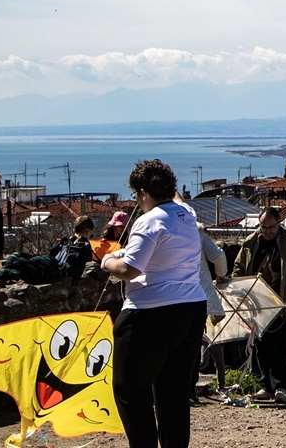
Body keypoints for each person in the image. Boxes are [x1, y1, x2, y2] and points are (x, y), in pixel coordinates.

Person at [100, 159, 207, 448]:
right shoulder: (186, 212)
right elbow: (176, 198)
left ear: (144, 193)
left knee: (128, 388)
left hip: (150, 313)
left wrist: (107, 260)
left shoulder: (149, 220)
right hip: (191, 309)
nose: (137, 201)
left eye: (137, 195)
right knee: (174, 392)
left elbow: (129, 269)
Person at [232, 206, 286, 403]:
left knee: (281, 346)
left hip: (284, 302)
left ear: (279, 223)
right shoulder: (250, 243)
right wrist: (239, 292)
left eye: (271, 227)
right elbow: (238, 268)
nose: (267, 231)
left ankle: (281, 387)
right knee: (261, 347)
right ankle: (265, 386)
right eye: (263, 227)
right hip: (257, 303)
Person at [191, 224, 229, 399]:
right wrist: (221, 274)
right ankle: (191, 390)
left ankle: (185, 389)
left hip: (169, 297)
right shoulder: (197, 232)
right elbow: (219, 256)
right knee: (199, 351)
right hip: (201, 298)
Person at [50, 215, 95, 281]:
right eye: (90, 232)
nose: (91, 235)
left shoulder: (66, 242)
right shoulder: (84, 246)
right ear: (87, 231)